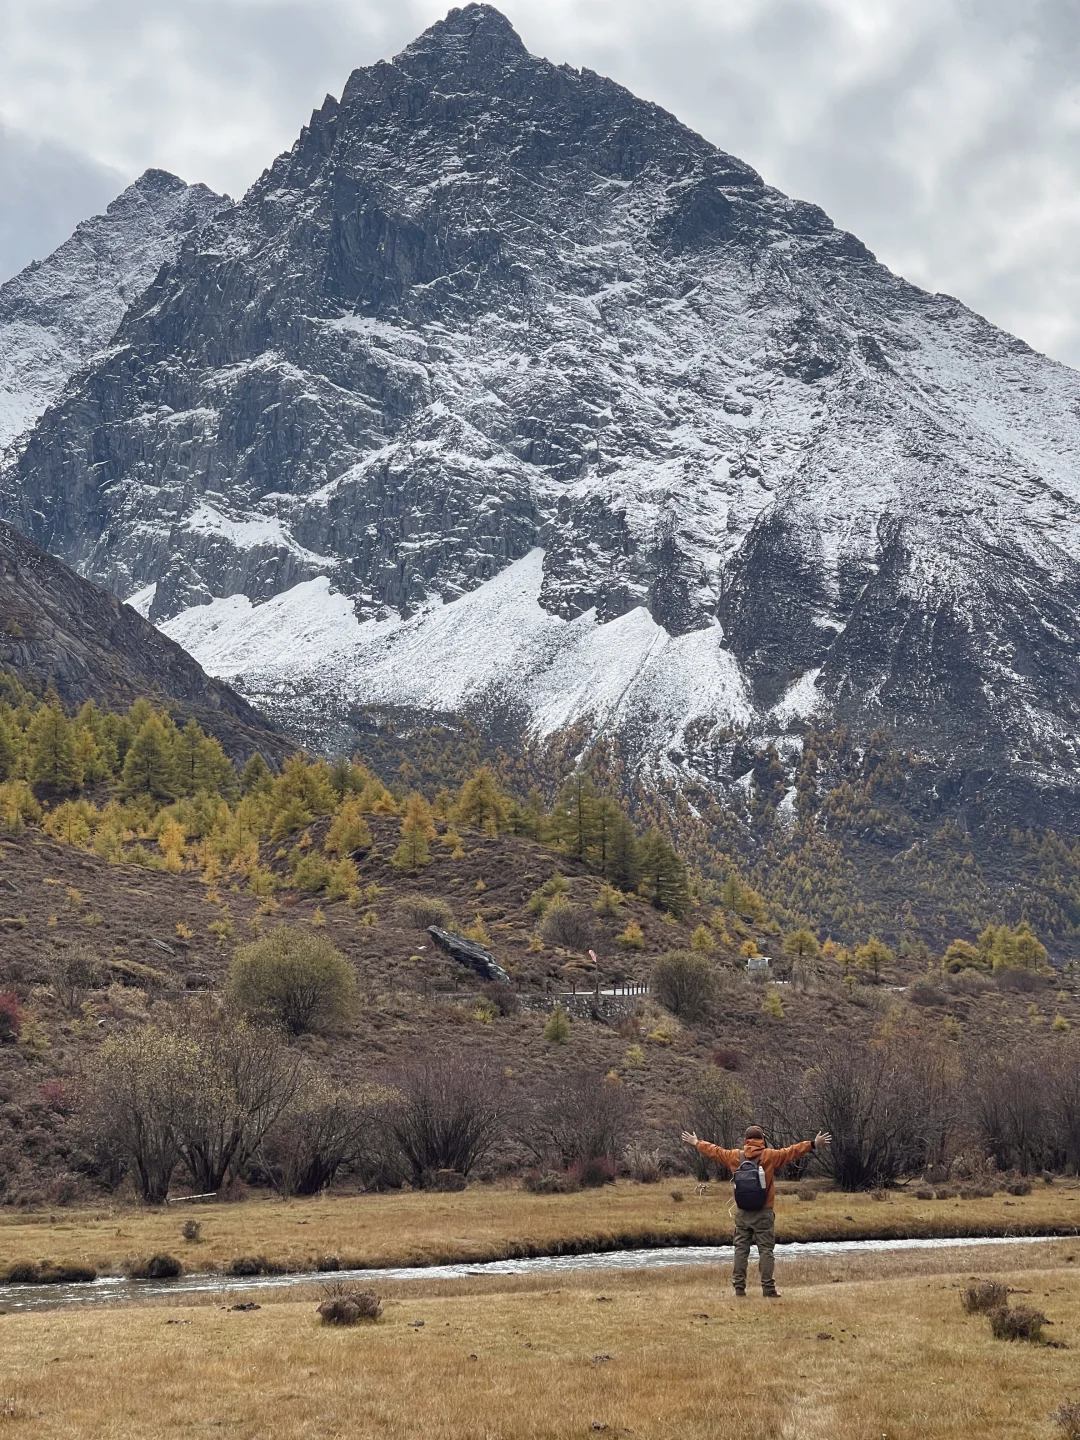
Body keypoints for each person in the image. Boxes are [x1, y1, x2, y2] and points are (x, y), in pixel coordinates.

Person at [680, 1124, 831, 1298]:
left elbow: (715, 1151)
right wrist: (813, 1143)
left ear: (746, 1140)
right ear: (763, 1139)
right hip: (764, 1211)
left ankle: (739, 1288)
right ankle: (768, 1289)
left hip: (742, 1212)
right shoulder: (770, 1156)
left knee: (740, 1250)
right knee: (766, 1251)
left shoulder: (735, 1156)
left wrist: (696, 1142)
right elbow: (791, 1152)